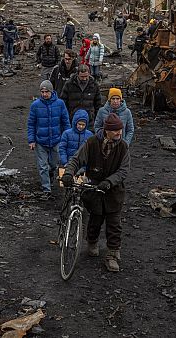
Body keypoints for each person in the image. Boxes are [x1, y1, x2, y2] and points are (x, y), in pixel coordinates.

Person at [62, 113, 130, 272]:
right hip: (94, 190)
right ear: (107, 130)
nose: (119, 133)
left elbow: (124, 170)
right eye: (116, 130)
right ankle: (92, 242)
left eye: (120, 129)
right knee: (95, 220)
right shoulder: (92, 143)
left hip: (114, 192)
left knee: (114, 225)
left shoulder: (123, 147)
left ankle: (112, 255)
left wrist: (110, 182)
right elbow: (76, 159)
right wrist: (68, 173)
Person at [27, 80, 70, 195]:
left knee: (54, 165)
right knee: (43, 166)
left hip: (56, 140)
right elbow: (31, 124)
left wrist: (67, 137)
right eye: (42, 92)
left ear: (51, 91)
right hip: (40, 141)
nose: (44, 94)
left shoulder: (60, 104)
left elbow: (65, 121)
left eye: (46, 92)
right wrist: (31, 140)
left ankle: (51, 174)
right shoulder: (35, 105)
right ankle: (46, 189)